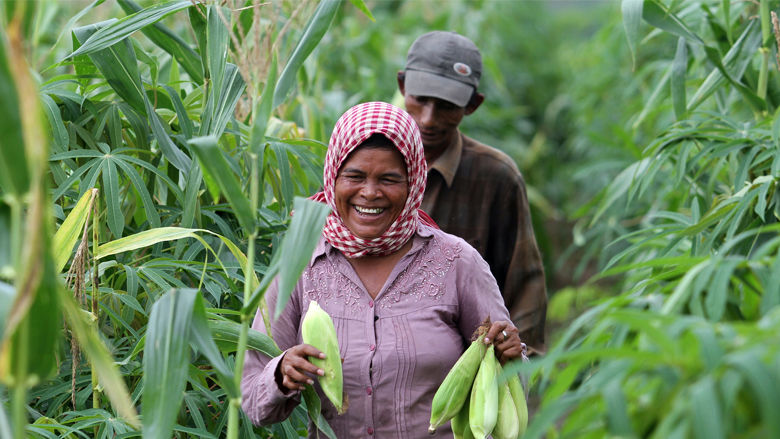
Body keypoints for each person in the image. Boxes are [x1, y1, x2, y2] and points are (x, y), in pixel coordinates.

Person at [241, 102, 527, 437]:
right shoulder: (301, 263)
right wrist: (281, 374)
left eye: (389, 179)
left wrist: (509, 358)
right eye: (354, 176)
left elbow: (511, 383)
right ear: (333, 177)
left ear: (413, 183)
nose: (370, 193)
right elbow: (252, 402)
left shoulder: (457, 262)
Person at [397, 31, 547, 354]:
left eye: (447, 105)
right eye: (420, 99)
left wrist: (521, 362)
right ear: (402, 86)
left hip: (469, 363)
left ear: (472, 105)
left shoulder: (495, 177)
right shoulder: (363, 163)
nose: (428, 118)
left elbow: (524, 285)